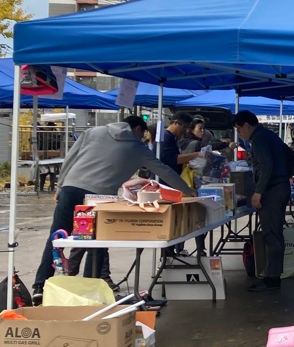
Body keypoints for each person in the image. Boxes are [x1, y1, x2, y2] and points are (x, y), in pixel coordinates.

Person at [32, 116, 192, 303]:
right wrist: (188, 190)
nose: (142, 137)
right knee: (97, 243)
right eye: (143, 134)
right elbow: (165, 171)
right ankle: (90, 288)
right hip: (99, 198)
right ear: (137, 129)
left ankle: (40, 287)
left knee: (56, 239)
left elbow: (70, 158)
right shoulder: (137, 148)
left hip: (71, 189)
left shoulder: (93, 132)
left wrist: (60, 187)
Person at [234, 111, 293, 292]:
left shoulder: (259, 139)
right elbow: (291, 155)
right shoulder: (269, 135)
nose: (239, 134)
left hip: (272, 190)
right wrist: (286, 175)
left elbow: (266, 164)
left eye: (239, 129)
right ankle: (272, 275)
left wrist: (258, 191)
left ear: (246, 125)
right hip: (281, 187)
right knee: (276, 233)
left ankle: (272, 279)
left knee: (271, 235)